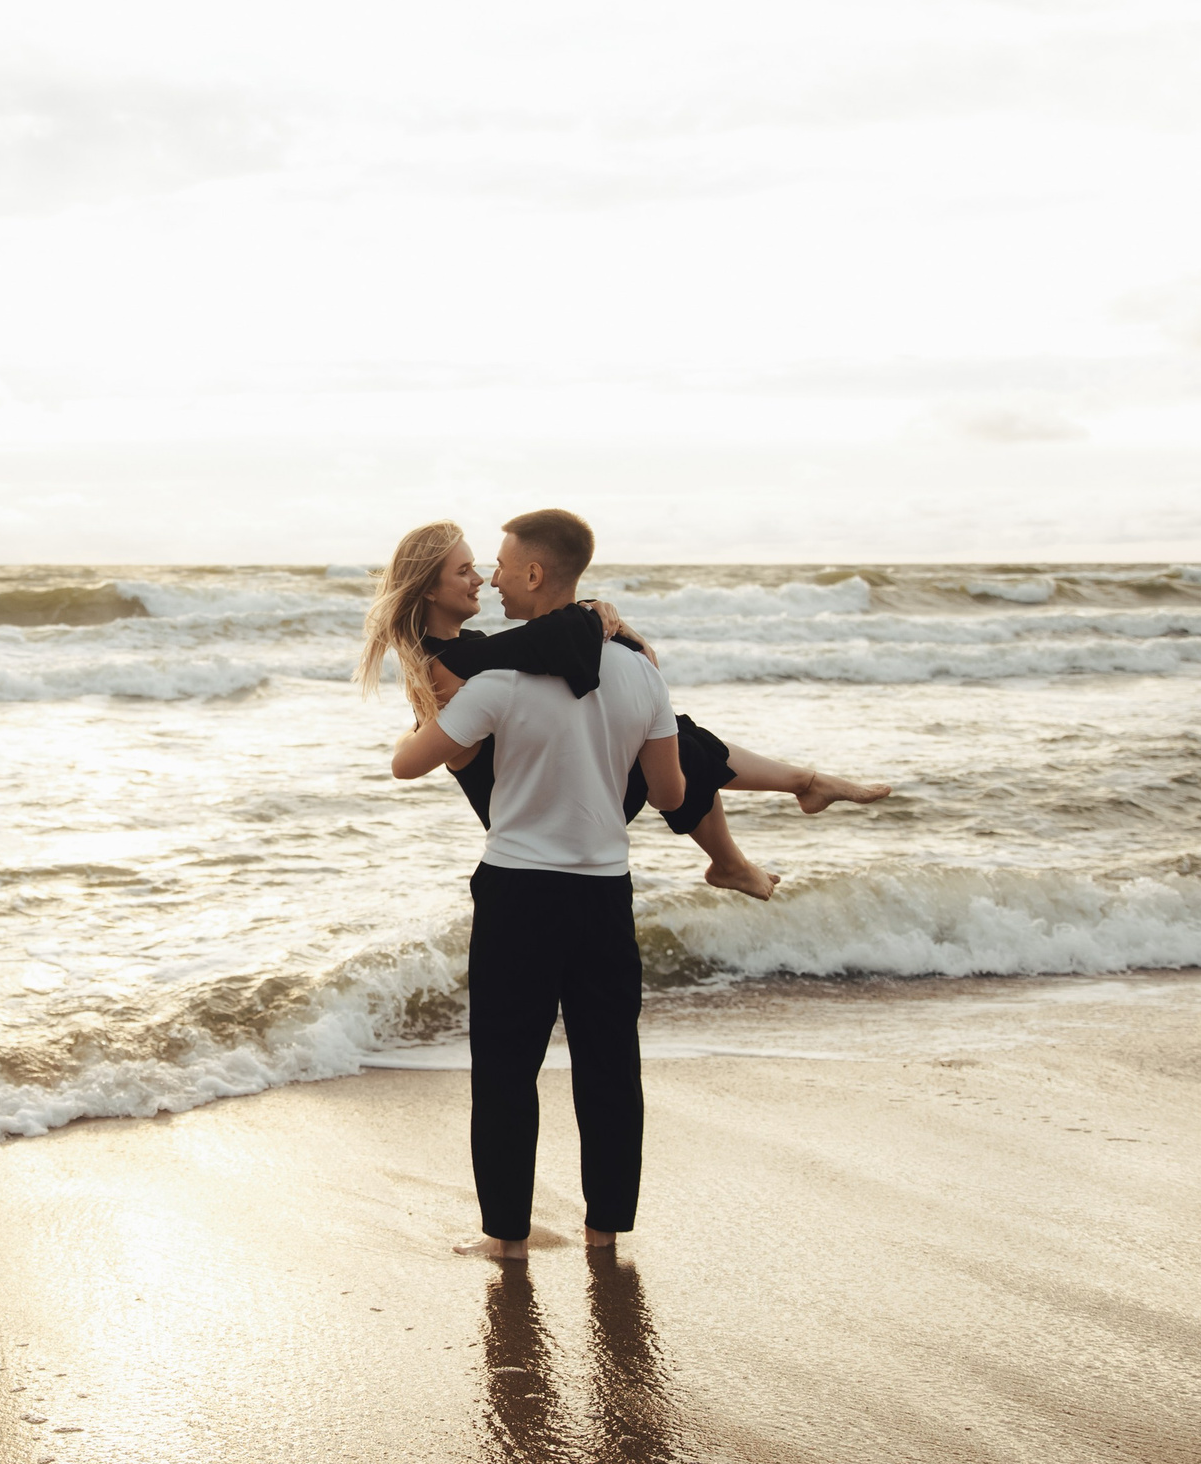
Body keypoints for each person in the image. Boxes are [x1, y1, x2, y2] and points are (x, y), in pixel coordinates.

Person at [388, 509, 682, 1261]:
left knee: (507, 1069)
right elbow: (670, 792)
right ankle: (603, 1232)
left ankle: (508, 1240)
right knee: (609, 1065)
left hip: (518, 892)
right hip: (603, 893)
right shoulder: (641, 670)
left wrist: (428, 721)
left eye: (499, 563)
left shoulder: (498, 681)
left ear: (534, 571)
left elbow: (407, 765)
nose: (491, 576)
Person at [356, 519, 889, 899]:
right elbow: (566, 644)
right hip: (530, 821)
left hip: (547, 805)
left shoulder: (460, 652)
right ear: (429, 590)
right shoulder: (448, 665)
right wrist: (596, 616)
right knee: (676, 743)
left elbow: (556, 646)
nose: (483, 579)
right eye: (465, 570)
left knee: (674, 734)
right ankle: (754, 837)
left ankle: (786, 803)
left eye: (481, 567)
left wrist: (598, 618)